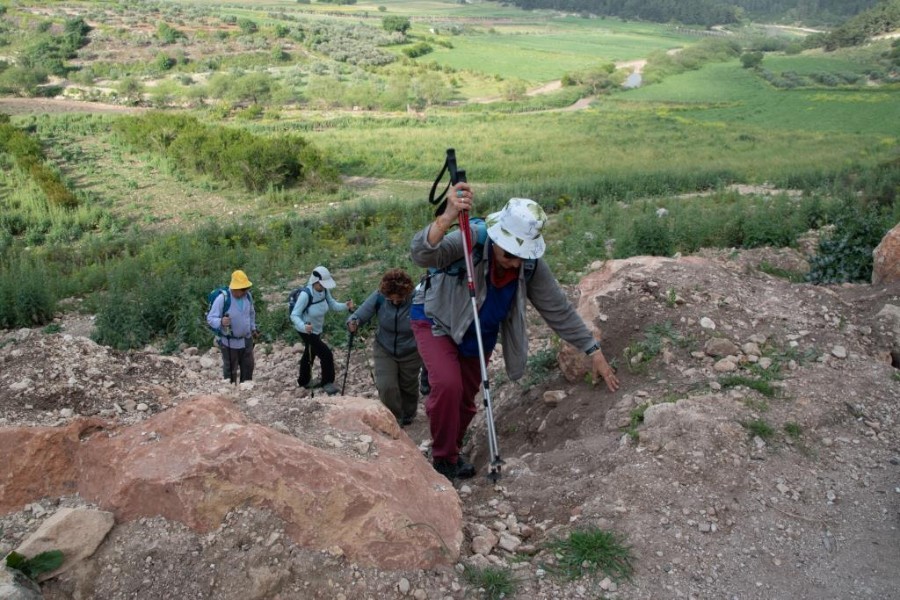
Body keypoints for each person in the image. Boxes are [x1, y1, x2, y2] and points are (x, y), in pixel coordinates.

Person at [410, 186, 620, 480]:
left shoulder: (530, 266)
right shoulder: (472, 239)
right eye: (510, 254)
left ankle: (454, 449)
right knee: (447, 385)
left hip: (479, 332)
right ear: (496, 238)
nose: (516, 262)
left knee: (466, 400)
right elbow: (421, 254)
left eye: (522, 255)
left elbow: (557, 309)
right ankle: (443, 458)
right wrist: (447, 217)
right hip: (437, 319)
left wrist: (592, 349)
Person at [347, 268, 423, 426]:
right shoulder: (379, 297)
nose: (395, 301)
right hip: (385, 348)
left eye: (400, 298)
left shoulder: (417, 298)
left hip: (411, 350)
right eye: (391, 299)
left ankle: (408, 414)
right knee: (386, 386)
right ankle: (394, 419)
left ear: (407, 293)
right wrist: (353, 321)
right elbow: (360, 314)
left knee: (408, 387)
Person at [291, 266, 354, 396]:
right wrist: (304, 326)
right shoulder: (305, 295)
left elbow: (333, 305)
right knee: (326, 354)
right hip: (306, 330)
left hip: (316, 329)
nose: (324, 286)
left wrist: (345, 306)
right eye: (322, 284)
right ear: (315, 281)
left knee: (310, 353)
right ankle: (327, 382)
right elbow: (294, 315)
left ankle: (303, 381)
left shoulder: (324, 291)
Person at [206, 269, 259, 384]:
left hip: (246, 339)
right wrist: (221, 321)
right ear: (235, 288)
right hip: (229, 342)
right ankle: (230, 392)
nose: (246, 291)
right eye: (243, 289)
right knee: (230, 369)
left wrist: (253, 328)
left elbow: (251, 313)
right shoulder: (223, 299)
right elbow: (210, 319)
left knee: (248, 366)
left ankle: (246, 390)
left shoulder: (247, 296)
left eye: (246, 288)